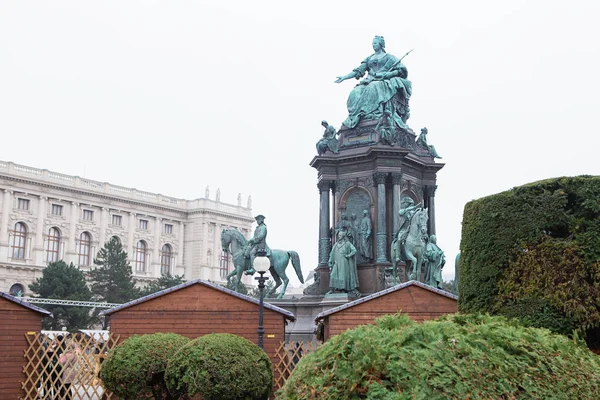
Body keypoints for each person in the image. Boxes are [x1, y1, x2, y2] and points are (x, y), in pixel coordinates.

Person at [335, 36, 412, 130]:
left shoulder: (390, 57)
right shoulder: (369, 58)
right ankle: (359, 117)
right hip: (369, 80)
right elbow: (358, 71)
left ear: (381, 44)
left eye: (375, 43)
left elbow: (401, 71)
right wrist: (344, 77)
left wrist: (387, 74)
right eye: (372, 43)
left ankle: (373, 115)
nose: (373, 45)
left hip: (383, 81)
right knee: (354, 93)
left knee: (372, 87)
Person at [327, 230, 359, 295]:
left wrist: (348, 255)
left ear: (344, 236)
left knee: (342, 275)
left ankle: (343, 289)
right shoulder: (336, 244)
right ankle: (332, 289)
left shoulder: (347, 243)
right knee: (333, 275)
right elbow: (332, 253)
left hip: (344, 262)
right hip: (336, 262)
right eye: (339, 235)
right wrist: (330, 261)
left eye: (341, 235)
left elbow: (354, 250)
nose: (339, 236)